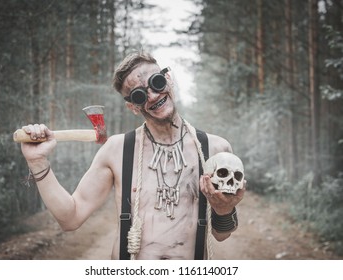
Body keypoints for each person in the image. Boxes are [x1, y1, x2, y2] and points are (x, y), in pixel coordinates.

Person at [20, 51, 245, 260]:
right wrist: (37, 162)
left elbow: (222, 234)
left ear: (169, 79)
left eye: (157, 82)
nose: (153, 95)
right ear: (132, 107)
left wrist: (224, 209)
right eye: (139, 95)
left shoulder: (215, 150)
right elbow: (71, 218)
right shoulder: (117, 150)